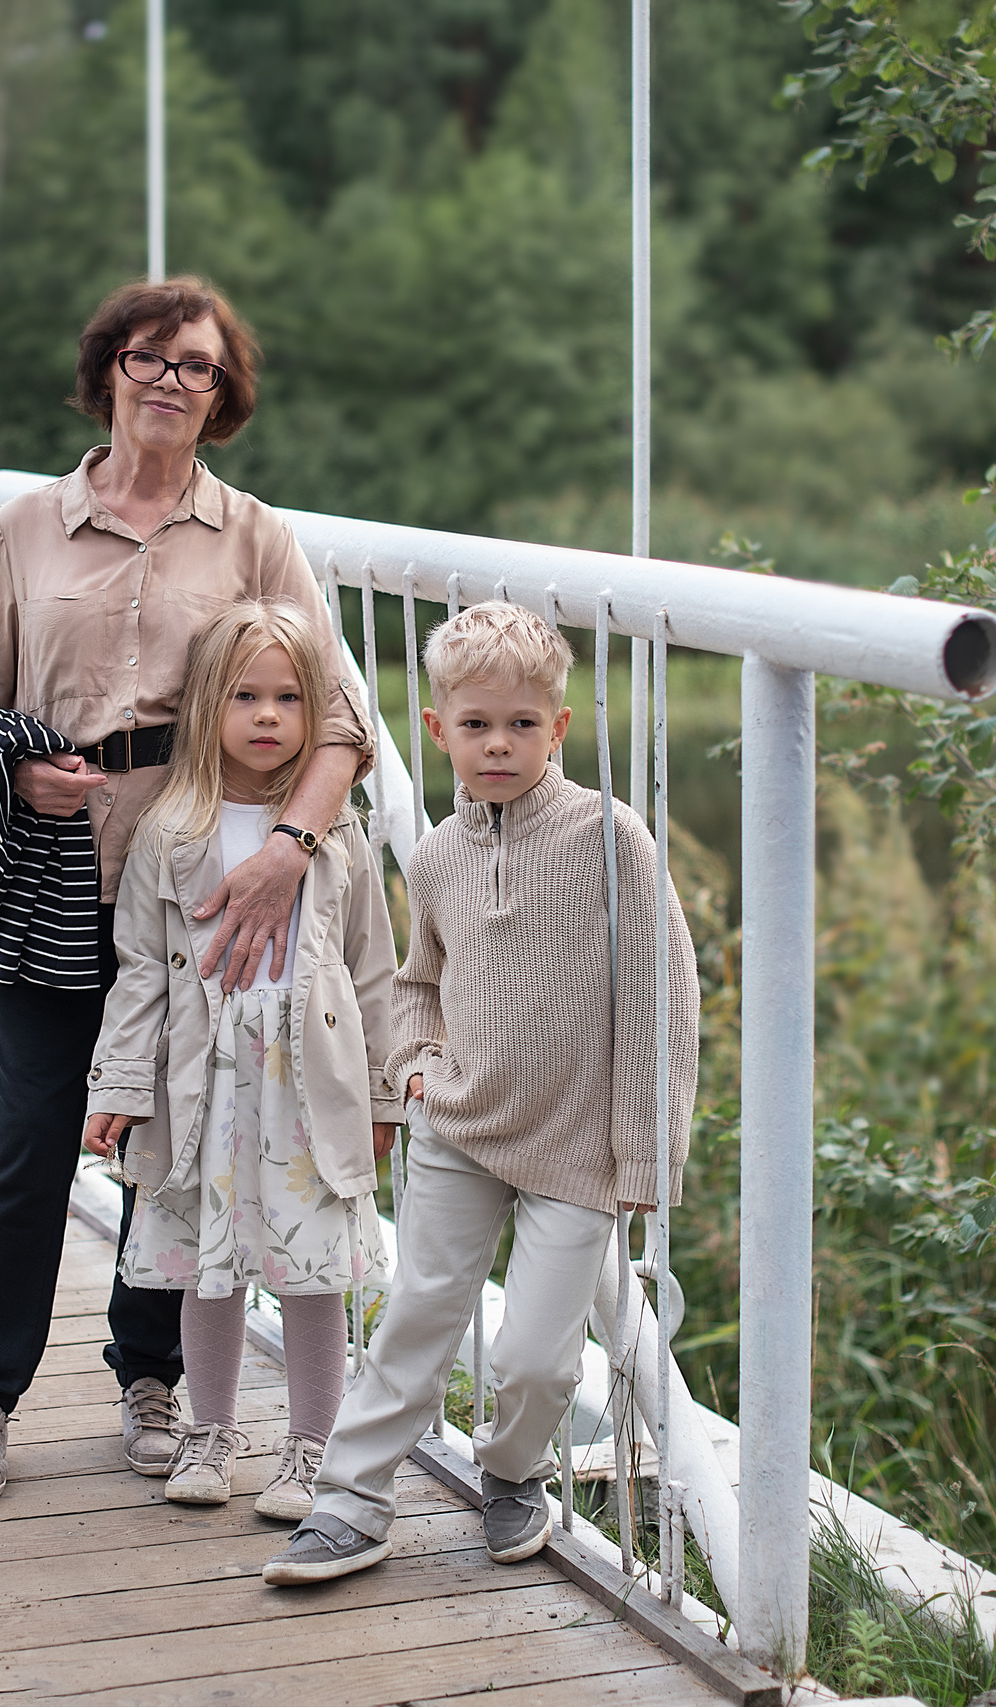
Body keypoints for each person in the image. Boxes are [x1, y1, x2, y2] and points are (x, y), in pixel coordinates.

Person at [0, 278, 372, 1504]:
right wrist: (20, 770)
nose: (174, 383)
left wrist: (288, 850)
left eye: (201, 369)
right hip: (53, 872)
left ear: (225, 396)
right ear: (107, 366)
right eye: (152, 359)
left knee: (176, 1140)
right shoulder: (26, 525)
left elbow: (337, 724)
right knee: (27, 1136)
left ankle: (151, 1378)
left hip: (199, 883)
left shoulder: (254, 537)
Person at [260, 601, 699, 1585]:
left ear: (559, 728)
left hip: (576, 1149)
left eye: (520, 725)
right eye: (474, 725)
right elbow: (419, 979)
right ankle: (350, 1502)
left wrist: (645, 1152)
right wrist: (413, 1063)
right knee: (416, 1315)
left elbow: (661, 1000)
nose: (497, 745)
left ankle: (511, 1472)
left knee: (540, 1362)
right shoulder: (437, 854)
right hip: (458, 1126)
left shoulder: (609, 841)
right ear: (436, 729)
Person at [81, 599, 402, 1518]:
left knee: (311, 1274)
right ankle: (209, 1432)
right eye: (247, 696)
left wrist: (384, 1094)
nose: (268, 717)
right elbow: (139, 975)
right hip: (205, 1085)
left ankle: (312, 1449)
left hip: (306, 1084)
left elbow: (373, 970)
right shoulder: (171, 834)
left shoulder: (335, 839)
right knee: (202, 1266)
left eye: (291, 699)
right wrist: (122, 1086)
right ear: (208, 708)